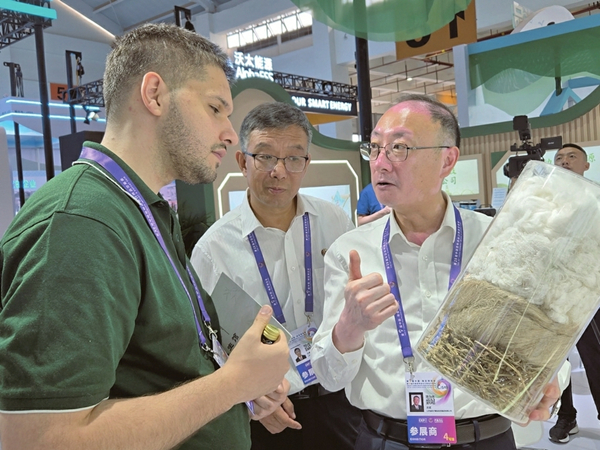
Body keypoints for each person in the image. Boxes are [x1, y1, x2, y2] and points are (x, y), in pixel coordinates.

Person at [0, 23, 291, 450]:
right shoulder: (82, 223)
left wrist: (238, 390)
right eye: (215, 108)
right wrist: (232, 384)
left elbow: (155, 372)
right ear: (154, 94)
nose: (230, 133)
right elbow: (41, 439)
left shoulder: (140, 210)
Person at [311, 94, 562, 450]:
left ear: (447, 159)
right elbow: (328, 376)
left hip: (486, 438)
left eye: (399, 148)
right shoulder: (350, 252)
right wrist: (349, 328)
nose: (381, 163)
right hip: (387, 439)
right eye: (375, 148)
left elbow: (543, 340)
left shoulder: (497, 240)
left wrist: (550, 379)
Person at [191, 102, 362, 450]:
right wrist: (249, 399)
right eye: (265, 157)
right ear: (243, 162)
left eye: (293, 158)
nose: (279, 171)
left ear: (306, 164)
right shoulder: (213, 250)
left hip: (342, 399)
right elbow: (207, 349)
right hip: (269, 411)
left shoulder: (335, 223)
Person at [549, 143, 600, 444]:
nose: (564, 161)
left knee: (594, 353)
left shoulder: (595, 198)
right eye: (559, 157)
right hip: (550, 290)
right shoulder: (545, 197)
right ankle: (566, 416)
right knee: (556, 359)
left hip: (586, 290)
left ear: (586, 164)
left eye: (572, 156)